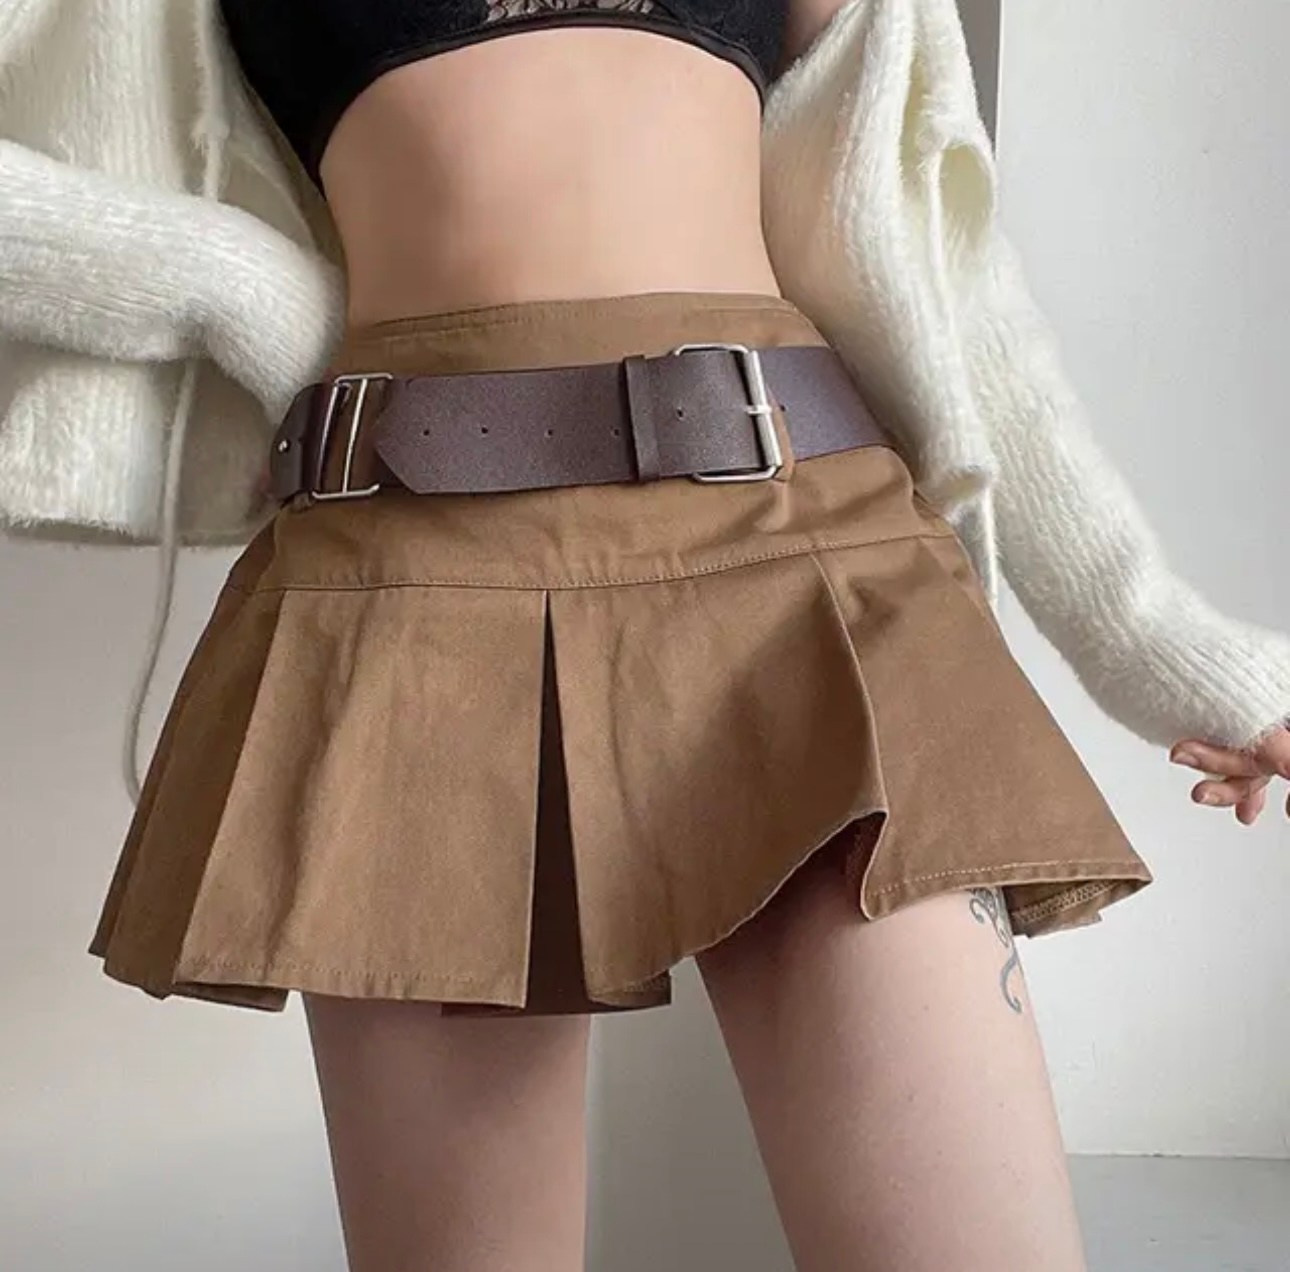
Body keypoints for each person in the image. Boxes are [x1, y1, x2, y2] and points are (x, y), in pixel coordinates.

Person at [2, 2, 1287, 1270]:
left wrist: (1171, 648)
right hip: (416, 592)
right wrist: (229, 284)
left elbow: (941, 281)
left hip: (803, 557)